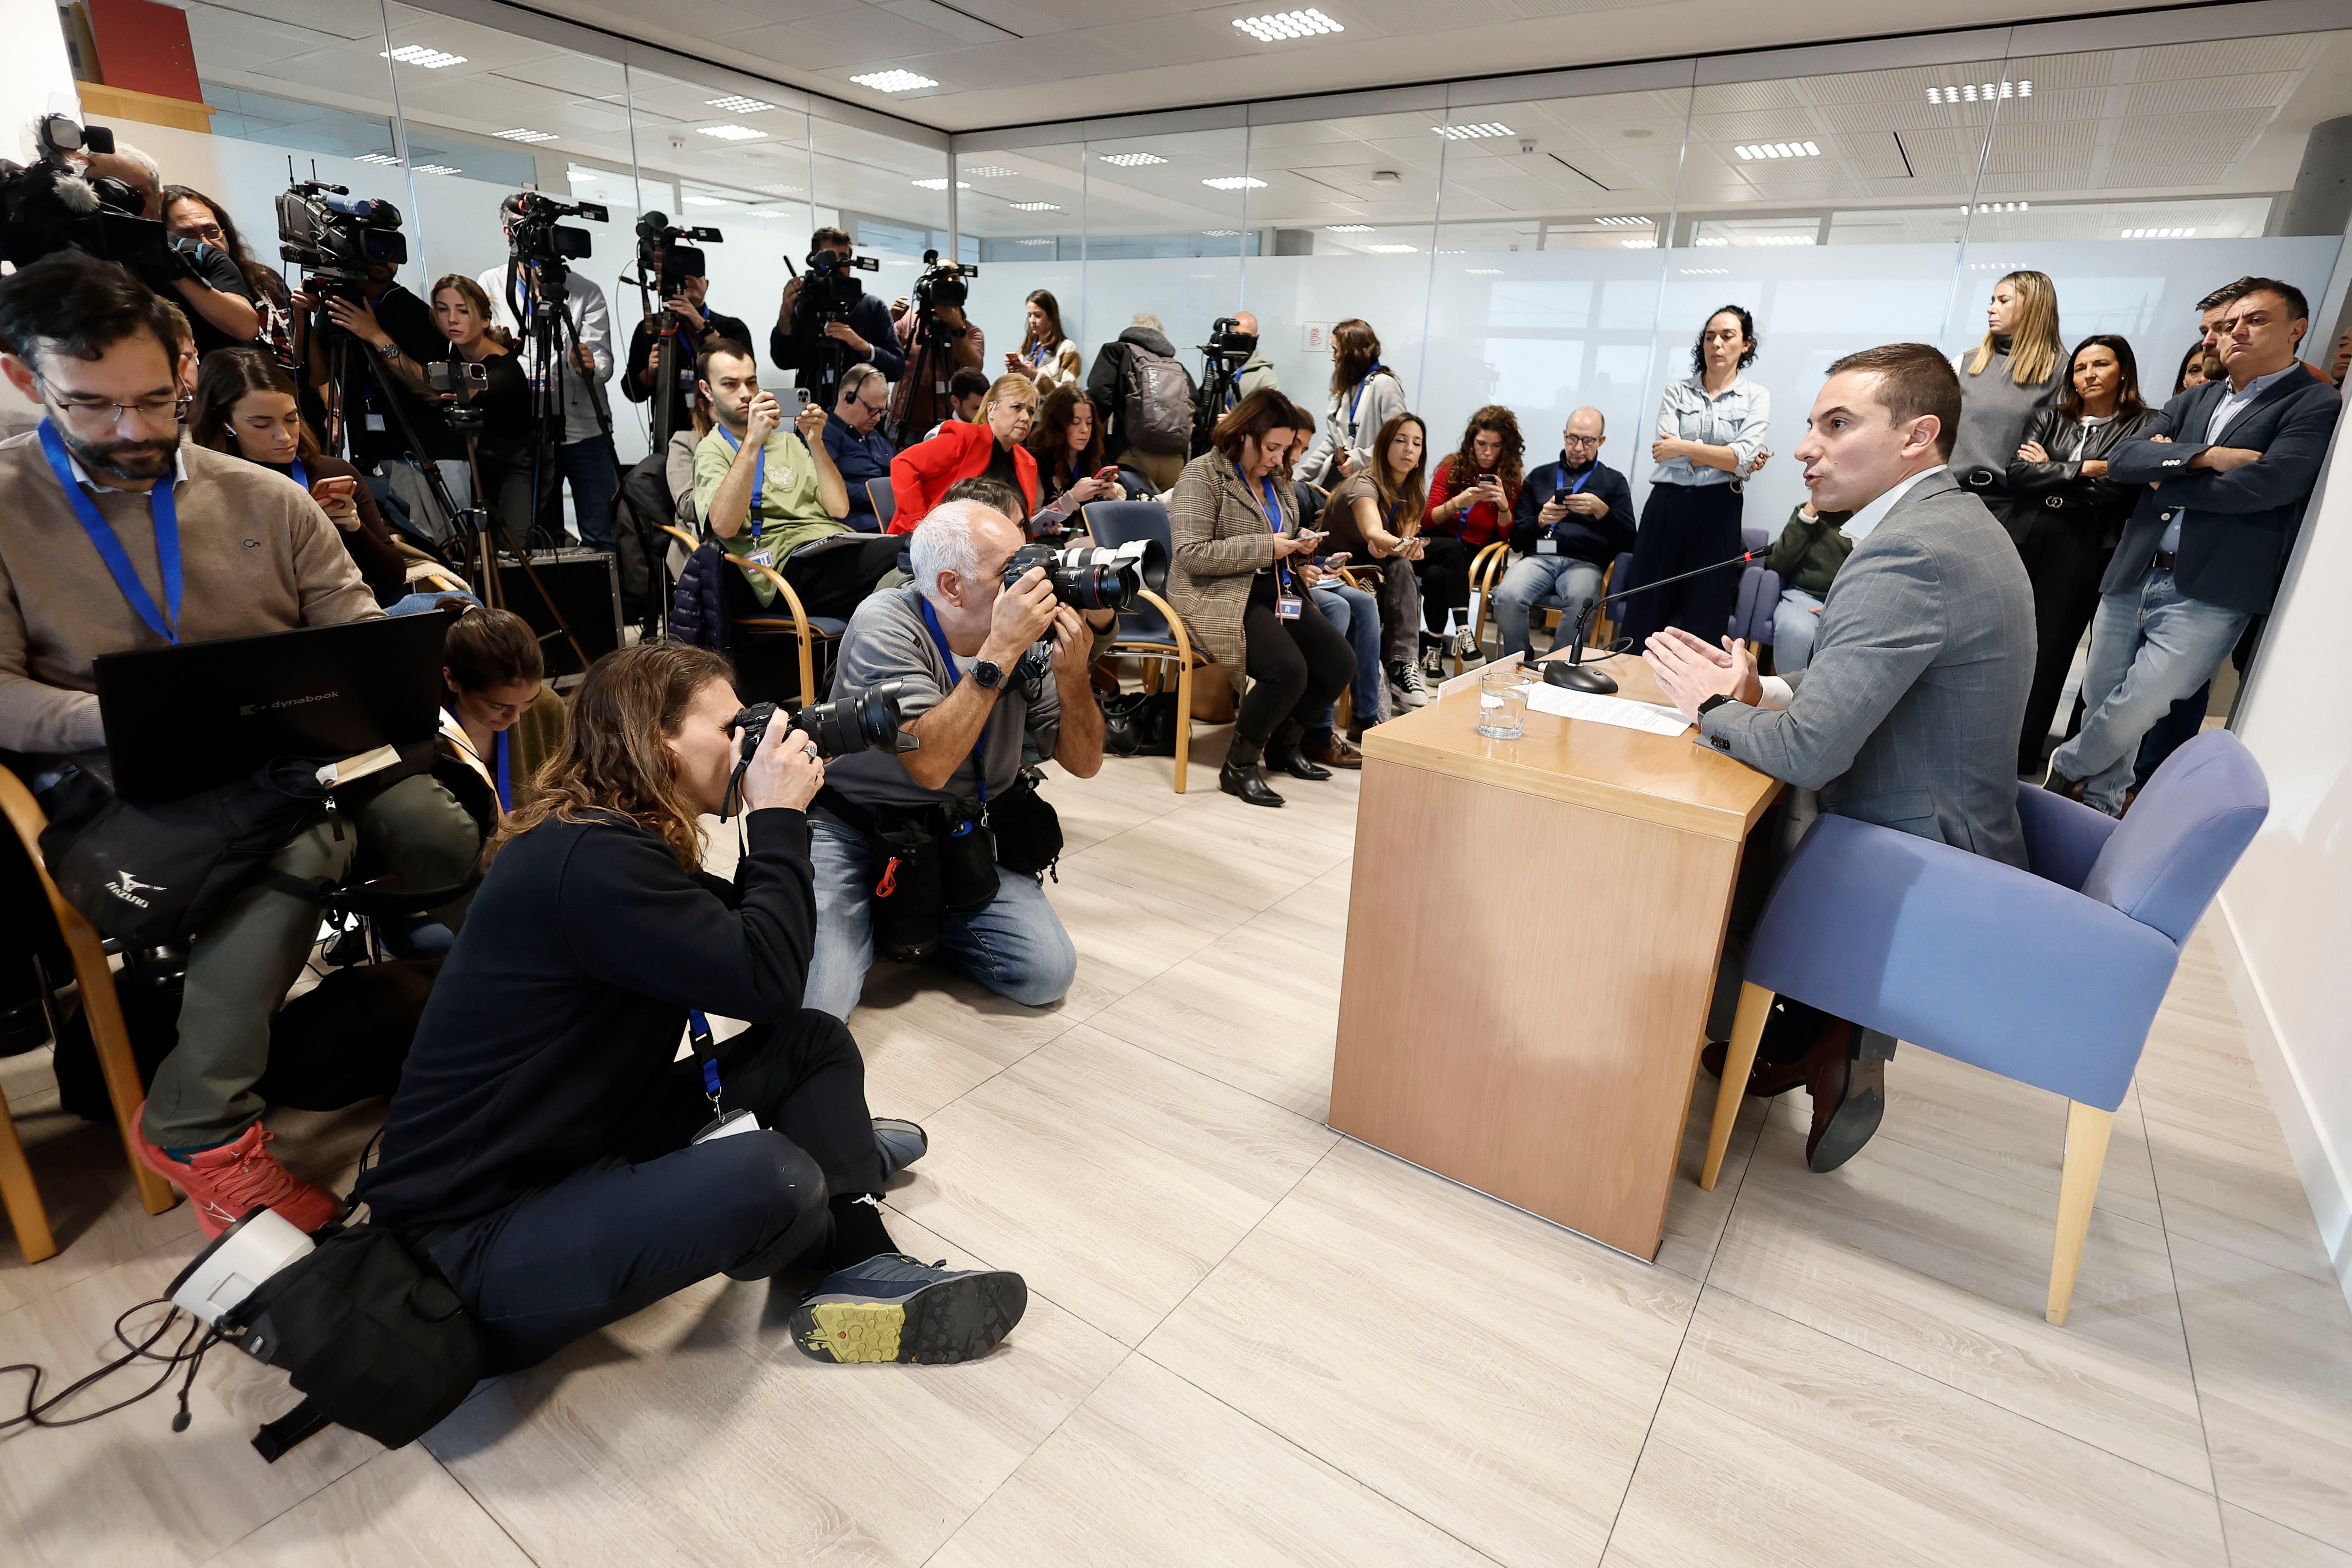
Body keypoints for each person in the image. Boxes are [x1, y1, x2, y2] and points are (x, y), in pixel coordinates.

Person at [351, 640, 1025, 1371]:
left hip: (577, 1140)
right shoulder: (586, 862)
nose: (748, 742)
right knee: (773, 1175)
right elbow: (764, 975)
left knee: (810, 1043)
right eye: (730, 725)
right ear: (653, 740)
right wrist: (775, 820)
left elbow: (759, 947)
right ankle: (835, 1178)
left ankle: (853, 1231)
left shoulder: (606, 837)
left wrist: (790, 813)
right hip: (478, 1233)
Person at [0, 252, 480, 1233]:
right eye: (91, 406)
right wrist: (118, 718)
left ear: (186, 361)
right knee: (303, 842)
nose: (131, 431)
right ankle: (201, 1125)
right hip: (118, 768)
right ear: (22, 378)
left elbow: (354, 633)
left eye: (151, 399)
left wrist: (357, 686)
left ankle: (511, 1017)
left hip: (298, 744)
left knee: (444, 836)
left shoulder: (265, 497)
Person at [1642, 342, 2034, 1174]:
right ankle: (1802, 1034)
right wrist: (1766, 690)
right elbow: (1878, 680)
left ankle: (1790, 1030)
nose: (1804, 447)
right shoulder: (1954, 523)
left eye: (1837, 423)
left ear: (1917, 435)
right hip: (1948, 821)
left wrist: (1708, 706)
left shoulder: (1906, 552)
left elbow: (1813, 754)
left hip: (1910, 858)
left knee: (1711, 848)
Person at [2046, 280, 2339, 815]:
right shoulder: (2193, 398)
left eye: (2254, 320)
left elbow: (2266, 487)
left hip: (2209, 587)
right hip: (2133, 571)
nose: (2235, 332)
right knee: (2101, 700)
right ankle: (2094, 813)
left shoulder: (2313, 402)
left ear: (2295, 329)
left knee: (2140, 705)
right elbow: (2126, 460)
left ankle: (2064, 770)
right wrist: (2208, 457)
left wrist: (2168, 469)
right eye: (2227, 325)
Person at [804, 499, 1100, 1017]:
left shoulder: (1026, 640)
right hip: (858, 828)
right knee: (821, 1007)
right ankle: (884, 912)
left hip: (959, 828)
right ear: (950, 586)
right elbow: (930, 764)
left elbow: (1083, 763)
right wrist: (999, 652)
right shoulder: (886, 622)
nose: (1029, 584)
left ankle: (908, 914)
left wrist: (1074, 681)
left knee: (1045, 974)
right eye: (1009, 571)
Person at [1166, 388, 1355, 806]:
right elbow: (1190, 555)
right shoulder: (1203, 475)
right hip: (1213, 595)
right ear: (1245, 434)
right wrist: (1267, 547)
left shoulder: (1279, 481)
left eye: (1286, 449)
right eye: (1273, 447)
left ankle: (1284, 748)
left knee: (1339, 662)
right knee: (1288, 671)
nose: (1280, 458)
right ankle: (1239, 765)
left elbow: (1281, 535)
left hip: (1270, 589)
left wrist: (1300, 542)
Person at [2006, 334, 2156, 774]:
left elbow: (2119, 486)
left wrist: (2049, 468)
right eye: (2080, 367)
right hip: (2029, 530)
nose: (2088, 375)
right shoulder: (2050, 416)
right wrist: (2086, 467)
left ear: (2123, 370)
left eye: (2100, 365)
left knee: (2051, 647)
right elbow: (2016, 474)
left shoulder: (2143, 424)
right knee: (2005, 639)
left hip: (2083, 541)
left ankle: (2020, 752)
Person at [692, 340, 897, 621]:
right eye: (730, 385)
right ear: (707, 390)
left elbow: (839, 509)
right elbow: (725, 527)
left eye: (751, 383)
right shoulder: (712, 449)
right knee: (912, 554)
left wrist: (816, 443)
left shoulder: (788, 441)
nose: (745, 395)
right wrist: (752, 441)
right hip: (782, 568)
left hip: (831, 545)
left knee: (912, 569)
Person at [189, 346, 407, 604]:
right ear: (223, 422)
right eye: (262, 424)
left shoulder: (332, 473)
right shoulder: (204, 488)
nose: (284, 436)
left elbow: (394, 576)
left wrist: (355, 529)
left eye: (291, 419)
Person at [1617, 306, 1771, 648]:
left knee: (1707, 607)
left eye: (1727, 336)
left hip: (1719, 508)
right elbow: (1666, 451)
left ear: (1746, 344)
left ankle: (1695, 696)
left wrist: (1689, 449)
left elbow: (1740, 456)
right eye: (1710, 336)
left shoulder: (1757, 396)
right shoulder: (1677, 391)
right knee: (1646, 604)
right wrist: (1729, 457)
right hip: (1667, 505)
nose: (1716, 343)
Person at [477, 194, 621, 549]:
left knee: (602, 530)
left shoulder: (586, 291)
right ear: (507, 233)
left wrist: (591, 363)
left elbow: (603, 361)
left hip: (585, 428)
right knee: (540, 531)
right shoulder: (493, 284)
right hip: (527, 427)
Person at [313, 260, 469, 535]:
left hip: (426, 452)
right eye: (375, 248)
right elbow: (319, 376)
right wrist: (302, 315)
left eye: (393, 248)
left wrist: (375, 335)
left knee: (447, 547)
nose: (386, 257)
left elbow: (433, 393)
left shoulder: (412, 311)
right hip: (370, 453)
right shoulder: (336, 307)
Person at [80, 153, 262, 364]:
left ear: (158, 199)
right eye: (110, 192)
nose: (126, 204)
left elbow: (245, 326)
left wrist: (175, 269)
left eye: (138, 193)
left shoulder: (197, 252)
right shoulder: (78, 259)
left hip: (212, 386)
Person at [1494, 407, 1633, 660]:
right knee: (1506, 595)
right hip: (1541, 556)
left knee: (1584, 601)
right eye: (1573, 438)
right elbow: (1516, 540)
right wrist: (1540, 520)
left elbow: (1629, 542)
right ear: (1564, 436)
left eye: (1587, 440)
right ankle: (1520, 660)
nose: (1578, 447)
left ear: (1601, 441)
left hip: (1586, 562)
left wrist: (1602, 511)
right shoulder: (1540, 476)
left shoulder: (1614, 482)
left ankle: (1555, 665)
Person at [431, 273, 546, 549]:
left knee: (515, 554)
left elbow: (489, 388)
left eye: (463, 310)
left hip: (513, 469)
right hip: (474, 470)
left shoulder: (503, 368)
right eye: (443, 309)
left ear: (484, 319)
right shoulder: (452, 352)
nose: (452, 320)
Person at [1325, 411, 1430, 710]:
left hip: (1380, 565)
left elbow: (1401, 545)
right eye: (1400, 441)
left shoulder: (1414, 493)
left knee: (1403, 566)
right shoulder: (1365, 483)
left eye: (1417, 443)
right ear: (1384, 445)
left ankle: (1403, 666)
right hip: (1339, 565)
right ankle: (1401, 667)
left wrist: (1406, 548)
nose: (1409, 449)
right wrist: (1399, 546)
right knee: (1401, 566)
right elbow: (1373, 531)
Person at [1949, 270, 2065, 517]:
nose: (1991, 309)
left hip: (2014, 505)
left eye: (2003, 301)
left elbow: (2067, 444)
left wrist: (2050, 462)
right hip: (1950, 495)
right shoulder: (1964, 363)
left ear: (2033, 306)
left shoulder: (2062, 371)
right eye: (1992, 301)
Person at [1420, 405, 1525, 662]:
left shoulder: (1510, 477)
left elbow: (1508, 536)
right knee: (1448, 553)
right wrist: (1458, 502)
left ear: (1506, 447)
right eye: (1481, 444)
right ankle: (1464, 631)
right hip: (1439, 546)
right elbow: (1427, 519)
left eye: (1496, 445)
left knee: (1436, 576)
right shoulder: (1451, 466)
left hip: (1477, 554)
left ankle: (1432, 654)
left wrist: (1502, 505)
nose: (1487, 452)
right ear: (1471, 442)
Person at [160, 186, 295, 373]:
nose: (206, 243)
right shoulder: (167, 297)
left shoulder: (265, 278)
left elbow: (305, 352)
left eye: (212, 231)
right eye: (188, 235)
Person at [435, 604, 545, 829]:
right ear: (452, 680)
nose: (515, 717)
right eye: (497, 706)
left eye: (528, 701)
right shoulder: (428, 730)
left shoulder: (548, 708)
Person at [889, 374, 1042, 533]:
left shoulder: (1028, 461)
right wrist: (918, 524)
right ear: (992, 409)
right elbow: (903, 464)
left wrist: (1040, 528)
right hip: (939, 542)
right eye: (1017, 408)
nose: (1025, 418)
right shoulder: (964, 438)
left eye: (1031, 412)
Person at [771, 226, 906, 404]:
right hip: (813, 410)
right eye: (829, 258)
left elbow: (896, 369)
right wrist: (786, 312)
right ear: (814, 261)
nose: (838, 266)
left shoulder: (872, 307)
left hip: (862, 412)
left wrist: (863, 346)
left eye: (844, 259)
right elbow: (783, 360)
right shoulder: (806, 306)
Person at [625, 267, 752, 443]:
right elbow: (633, 393)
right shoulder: (651, 328)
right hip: (669, 431)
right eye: (682, 276)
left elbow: (744, 370)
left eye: (696, 274)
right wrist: (651, 371)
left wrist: (701, 323)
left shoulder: (732, 327)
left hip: (726, 429)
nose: (689, 279)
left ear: (706, 284)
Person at [1084, 312, 1194, 493]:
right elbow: (1197, 409)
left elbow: (1099, 396)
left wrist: (1097, 443)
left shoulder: (1117, 352)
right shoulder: (1177, 367)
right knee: (1167, 519)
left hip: (1131, 455)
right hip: (1175, 462)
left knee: (1129, 517)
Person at [1297, 318, 1407, 490]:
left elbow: (1398, 441)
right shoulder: (1348, 388)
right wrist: (1297, 478)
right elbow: (1332, 444)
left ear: (1351, 353)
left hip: (1371, 487)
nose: (1333, 358)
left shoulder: (1385, 385)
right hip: (1340, 484)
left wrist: (1359, 460)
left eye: (1336, 351)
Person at [1761, 499, 1854, 675]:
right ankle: (1792, 698)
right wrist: (1807, 516)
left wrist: (1845, 603)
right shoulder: (1808, 512)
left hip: (1852, 602)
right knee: (1797, 629)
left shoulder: (1879, 517)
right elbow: (1778, 563)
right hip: (1806, 596)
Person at [1026, 383, 1124, 535]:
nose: (1085, 430)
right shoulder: (1036, 460)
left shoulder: (1095, 455)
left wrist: (1112, 495)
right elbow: (1032, 523)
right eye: (1075, 422)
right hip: (1056, 546)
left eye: (1089, 422)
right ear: (1057, 425)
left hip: (1091, 538)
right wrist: (1072, 498)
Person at [889, 290, 985, 442]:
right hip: (903, 424)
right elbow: (882, 356)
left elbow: (973, 368)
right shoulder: (908, 321)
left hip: (947, 427)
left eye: (953, 280)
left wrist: (957, 328)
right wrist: (889, 319)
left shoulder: (970, 332)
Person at [824, 362, 898, 532]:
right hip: (857, 524)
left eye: (882, 412)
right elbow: (827, 488)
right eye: (873, 410)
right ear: (847, 398)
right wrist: (882, 492)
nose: (878, 418)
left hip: (892, 516)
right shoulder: (822, 434)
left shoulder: (874, 435)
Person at [1005, 289, 1081, 391]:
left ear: (1051, 317)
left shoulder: (1068, 349)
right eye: (1029, 315)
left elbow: (1070, 392)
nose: (1032, 320)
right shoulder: (1027, 347)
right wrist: (1012, 372)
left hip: (1050, 407)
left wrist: (1037, 376)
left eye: (1038, 316)